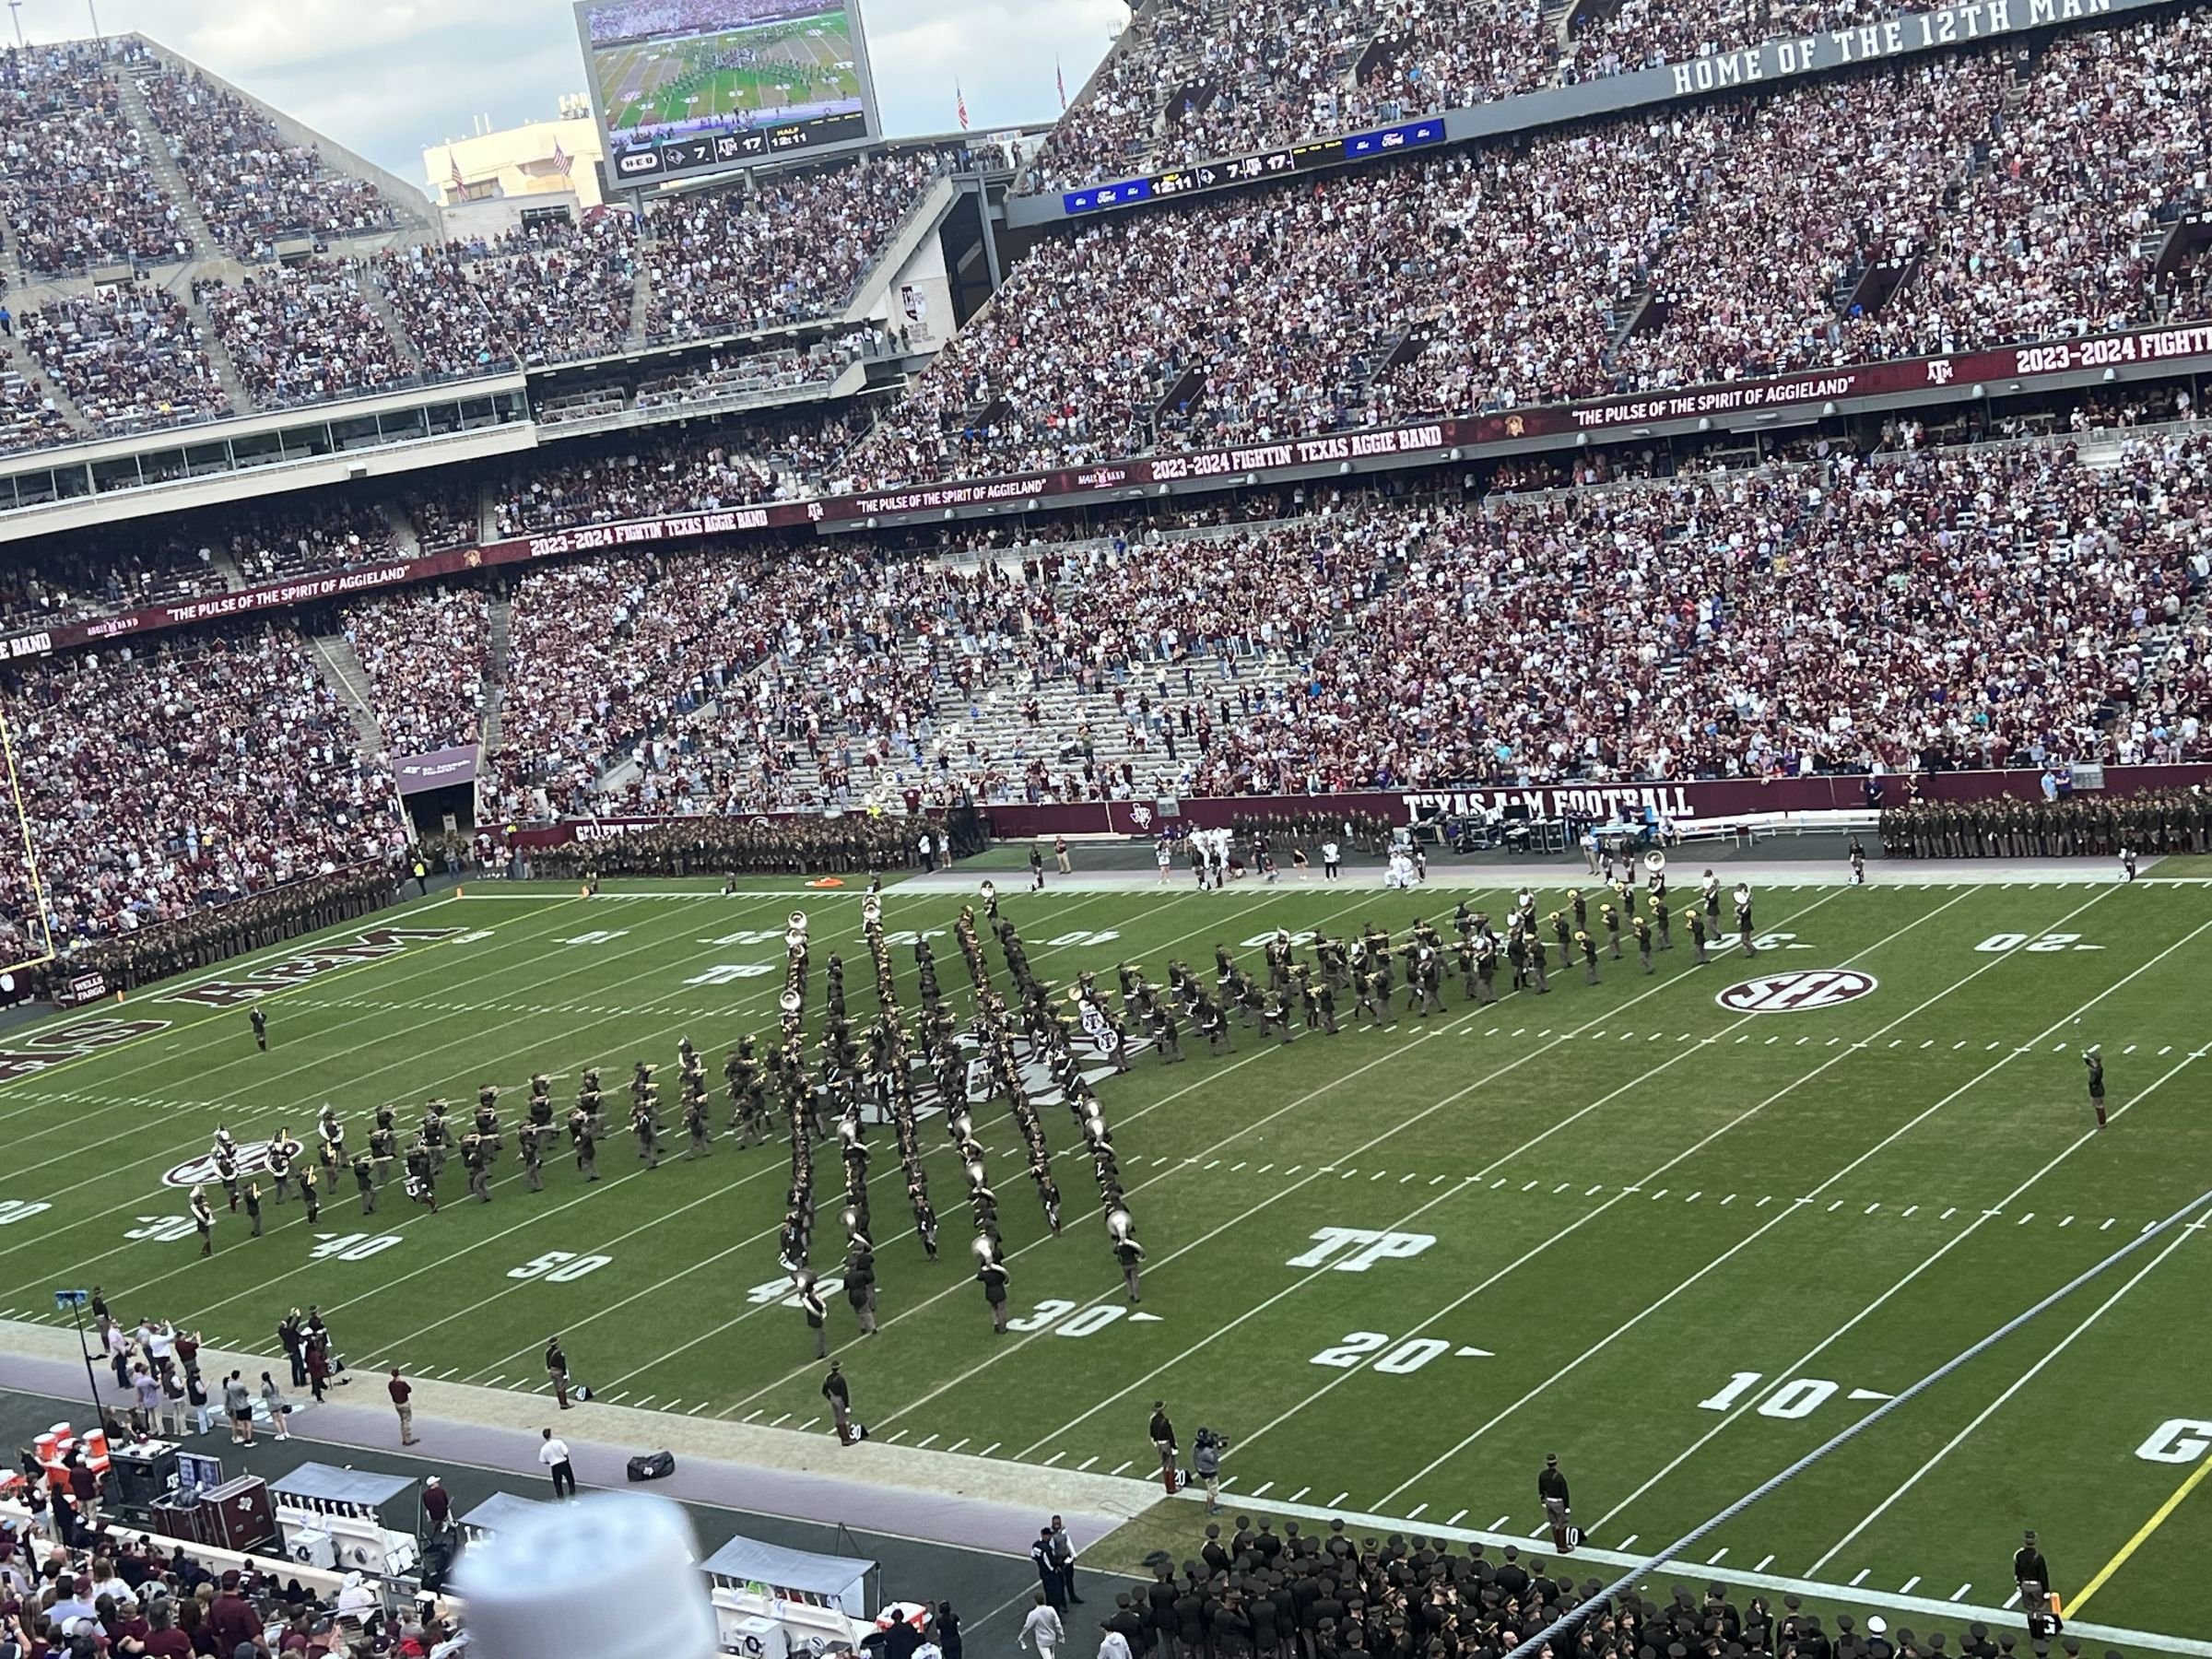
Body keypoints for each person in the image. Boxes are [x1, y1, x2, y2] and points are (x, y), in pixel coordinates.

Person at [1538, 1453, 1573, 1552]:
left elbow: (1541, 1488)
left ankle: (1558, 1545)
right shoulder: (1559, 1477)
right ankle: (1562, 1546)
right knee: (1561, 1524)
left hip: (1548, 1501)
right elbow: (1564, 1492)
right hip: (1558, 1502)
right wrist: (1567, 1506)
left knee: (1553, 1523)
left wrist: (1542, 1500)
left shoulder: (1543, 1475)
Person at [1018, 1592, 1063, 1659]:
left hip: (1042, 1640)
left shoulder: (1033, 1614)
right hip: (1051, 1638)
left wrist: (1022, 1635)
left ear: (1035, 1601)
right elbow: (1058, 1624)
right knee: (1051, 1655)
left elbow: (1027, 1626)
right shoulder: (1051, 1609)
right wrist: (1061, 1636)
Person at [1148, 1401, 1178, 1492]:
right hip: (1167, 1444)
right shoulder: (1165, 1421)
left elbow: (1152, 1433)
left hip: (1159, 1444)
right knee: (1171, 1465)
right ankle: (1172, 1487)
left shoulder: (1153, 1420)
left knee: (1164, 1465)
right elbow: (1170, 1435)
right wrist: (1174, 1446)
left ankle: (1167, 1486)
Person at [822, 1359, 853, 1443]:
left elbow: (824, 1391)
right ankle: (845, 1439)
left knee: (837, 1419)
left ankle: (843, 1437)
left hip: (833, 1399)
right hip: (840, 1400)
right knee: (842, 1420)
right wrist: (847, 1405)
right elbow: (844, 1393)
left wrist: (830, 1398)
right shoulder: (841, 1379)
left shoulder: (828, 1378)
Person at [539, 1427, 576, 1499]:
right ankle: (572, 1499)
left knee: (558, 1485)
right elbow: (565, 1452)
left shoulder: (544, 1448)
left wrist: (550, 1462)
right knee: (570, 1481)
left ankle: (561, 1501)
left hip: (554, 1466)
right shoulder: (559, 1442)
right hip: (563, 1463)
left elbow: (543, 1460)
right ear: (551, 1434)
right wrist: (567, 1459)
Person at [222, 1371, 253, 1446]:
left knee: (241, 1423)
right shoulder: (240, 1385)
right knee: (248, 1422)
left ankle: (243, 1437)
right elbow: (246, 1393)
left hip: (237, 1407)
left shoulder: (228, 1386)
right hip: (243, 1405)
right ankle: (247, 1439)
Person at [259, 1372, 291, 1440]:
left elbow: (263, 1395)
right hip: (278, 1402)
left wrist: (262, 1387)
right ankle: (286, 1432)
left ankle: (280, 1434)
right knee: (281, 1418)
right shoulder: (274, 1384)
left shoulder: (265, 1387)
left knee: (276, 1419)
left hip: (272, 1404)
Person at [389, 1368, 418, 1445]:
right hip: (404, 1403)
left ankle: (404, 1438)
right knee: (406, 1421)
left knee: (402, 1420)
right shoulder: (402, 1384)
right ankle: (407, 1439)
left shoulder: (391, 1384)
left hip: (397, 1404)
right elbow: (409, 1390)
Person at [547, 1335, 571, 1408]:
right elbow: (562, 1363)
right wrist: (564, 1373)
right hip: (558, 1371)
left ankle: (561, 1402)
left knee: (557, 1387)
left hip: (552, 1370)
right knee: (562, 1388)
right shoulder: (559, 1352)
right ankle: (564, 1404)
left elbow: (548, 1362)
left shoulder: (548, 1352)